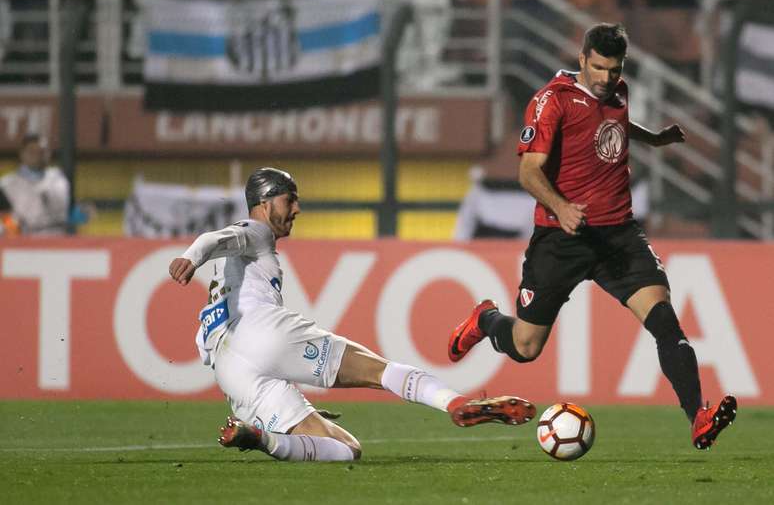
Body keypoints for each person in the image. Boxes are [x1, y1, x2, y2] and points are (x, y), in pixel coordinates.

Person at [447, 23, 736, 450]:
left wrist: (652, 139)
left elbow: (611, 122)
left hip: (619, 235)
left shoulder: (617, 91)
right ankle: (486, 320)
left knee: (664, 320)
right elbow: (528, 171)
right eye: (598, 68)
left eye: (614, 70)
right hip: (562, 238)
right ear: (582, 59)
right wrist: (561, 207)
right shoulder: (551, 101)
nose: (605, 78)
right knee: (526, 347)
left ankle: (698, 416)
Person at [169, 167, 535, 462]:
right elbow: (213, 238)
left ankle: (263, 440)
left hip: (229, 371)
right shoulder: (257, 231)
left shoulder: (227, 273)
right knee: (381, 371)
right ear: (264, 203)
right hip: (260, 331)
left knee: (347, 449)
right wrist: (191, 257)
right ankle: (455, 403)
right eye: (289, 200)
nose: (296, 209)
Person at [0, 133, 70, 235]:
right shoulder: (6, 184)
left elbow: (67, 210)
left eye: (42, 151)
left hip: (59, 240)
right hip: (26, 241)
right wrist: (13, 229)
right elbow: (4, 217)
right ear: (22, 153)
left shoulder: (59, 178)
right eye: (32, 151)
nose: (38, 155)